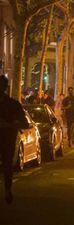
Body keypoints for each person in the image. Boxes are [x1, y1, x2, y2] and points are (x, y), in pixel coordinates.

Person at [0, 75, 29, 204]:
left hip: (7, 138)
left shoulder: (13, 104)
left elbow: (25, 123)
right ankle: (7, 189)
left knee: (7, 165)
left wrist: (13, 124)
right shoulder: (13, 104)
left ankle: (7, 189)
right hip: (8, 139)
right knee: (7, 165)